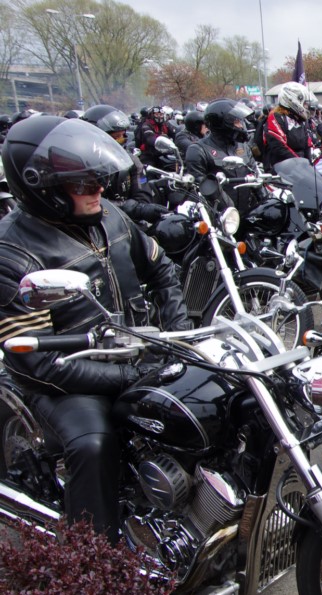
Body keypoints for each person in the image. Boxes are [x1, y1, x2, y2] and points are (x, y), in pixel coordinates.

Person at [0, 116, 190, 543]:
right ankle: (94, 557)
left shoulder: (111, 218)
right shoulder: (11, 252)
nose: (98, 190)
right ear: (43, 187)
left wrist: (176, 335)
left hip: (137, 355)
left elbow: (162, 270)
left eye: (97, 180)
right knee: (94, 444)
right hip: (67, 384)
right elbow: (38, 366)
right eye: (84, 183)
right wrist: (128, 375)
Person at [80, 104, 169, 225]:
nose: (120, 140)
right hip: (93, 225)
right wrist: (131, 207)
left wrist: (139, 209)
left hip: (124, 222)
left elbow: (142, 195)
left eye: (123, 136)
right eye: (116, 137)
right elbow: (87, 204)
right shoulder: (81, 166)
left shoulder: (131, 161)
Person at [185, 98, 261, 215]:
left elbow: (257, 178)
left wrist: (267, 201)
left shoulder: (243, 147)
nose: (241, 126)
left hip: (248, 213)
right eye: (236, 122)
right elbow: (203, 188)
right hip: (219, 218)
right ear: (222, 123)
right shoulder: (198, 150)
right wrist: (229, 212)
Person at [262, 82, 314, 169]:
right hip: (281, 167)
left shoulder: (301, 120)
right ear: (292, 100)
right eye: (304, 103)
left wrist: (309, 166)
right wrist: (299, 163)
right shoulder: (276, 117)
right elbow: (279, 146)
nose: (306, 106)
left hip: (300, 168)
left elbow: (307, 143)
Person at [135, 106, 174, 170]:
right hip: (149, 154)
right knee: (150, 172)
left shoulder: (165, 124)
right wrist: (162, 139)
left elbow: (175, 132)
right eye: (156, 114)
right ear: (152, 115)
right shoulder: (146, 125)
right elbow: (150, 138)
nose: (159, 116)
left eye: (161, 114)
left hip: (164, 153)